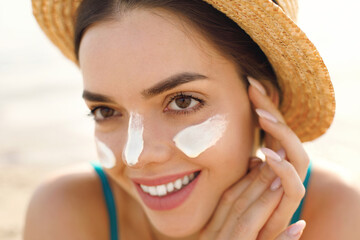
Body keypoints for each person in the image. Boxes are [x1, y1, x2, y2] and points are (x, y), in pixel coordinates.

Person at [24, 0, 360, 239]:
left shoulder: (339, 213)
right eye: (105, 111)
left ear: (263, 104)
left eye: (182, 101)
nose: (136, 155)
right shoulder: (65, 212)